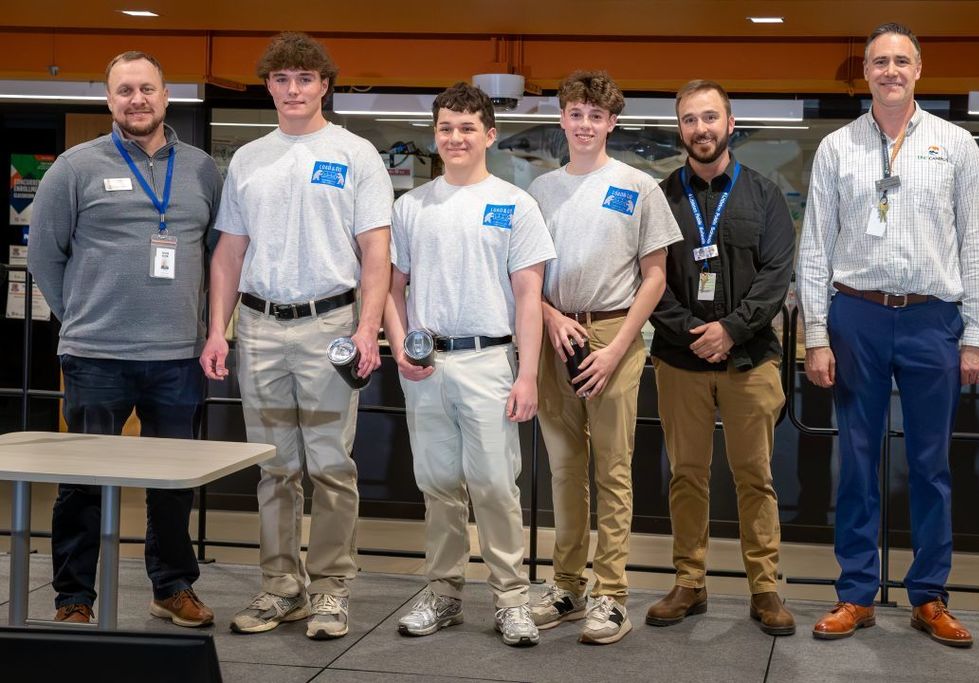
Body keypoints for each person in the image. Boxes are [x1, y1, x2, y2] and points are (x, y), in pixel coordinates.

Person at [797, 22, 979, 648]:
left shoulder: (957, 145)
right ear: (866, 72)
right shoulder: (836, 148)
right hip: (858, 315)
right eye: (878, 61)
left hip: (934, 318)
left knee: (932, 465)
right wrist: (817, 335)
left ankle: (929, 595)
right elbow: (814, 250)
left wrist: (978, 335)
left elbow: (978, 247)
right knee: (855, 460)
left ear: (918, 71)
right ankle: (856, 593)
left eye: (900, 60)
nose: (889, 70)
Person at [200, 32, 392, 640]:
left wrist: (368, 328)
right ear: (269, 87)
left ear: (324, 85)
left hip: (331, 325)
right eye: (281, 79)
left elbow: (376, 253)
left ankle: (331, 590)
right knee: (274, 468)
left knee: (333, 465)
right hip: (258, 327)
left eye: (304, 79)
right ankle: (281, 587)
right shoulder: (250, 159)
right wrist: (217, 330)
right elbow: (229, 252)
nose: (293, 90)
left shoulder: (357, 154)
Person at [29, 51, 222, 627]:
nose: (136, 99)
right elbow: (44, 255)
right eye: (123, 91)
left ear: (166, 97)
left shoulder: (202, 170)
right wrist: (81, 317)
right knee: (84, 483)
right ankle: (73, 597)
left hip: (177, 357)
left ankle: (171, 587)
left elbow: (216, 255)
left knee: (173, 486)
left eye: (146, 88)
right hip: (95, 356)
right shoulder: (74, 166)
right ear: (109, 100)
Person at [382, 82, 556, 648]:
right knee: (436, 483)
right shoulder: (410, 207)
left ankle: (511, 598)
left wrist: (527, 374)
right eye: (445, 128)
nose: (455, 138)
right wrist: (401, 345)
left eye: (465, 128)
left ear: (489, 134)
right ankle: (444, 593)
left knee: (494, 485)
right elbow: (392, 286)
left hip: (489, 361)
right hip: (428, 361)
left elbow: (529, 297)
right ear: (436, 135)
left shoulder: (515, 203)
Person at [526, 70, 678, 645]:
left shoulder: (639, 185)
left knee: (613, 471)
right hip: (555, 334)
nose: (584, 125)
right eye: (576, 113)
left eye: (596, 115)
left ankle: (611, 594)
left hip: (614, 334)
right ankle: (567, 586)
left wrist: (618, 347)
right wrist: (549, 315)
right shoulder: (540, 191)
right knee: (565, 470)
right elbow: (527, 276)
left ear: (611, 122)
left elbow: (656, 277)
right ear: (562, 118)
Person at [646, 80, 796, 636]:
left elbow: (776, 275)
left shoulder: (764, 195)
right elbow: (649, 279)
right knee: (686, 475)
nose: (701, 129)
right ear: (679, 128)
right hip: (680, 360)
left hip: (749, 359)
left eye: (711, 118)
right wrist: (692, 333)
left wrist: (730, 331)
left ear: (730, 124)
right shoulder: (659, 197)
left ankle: (765, 588)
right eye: (690, 119)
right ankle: (690, 582)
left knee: (754, 475)